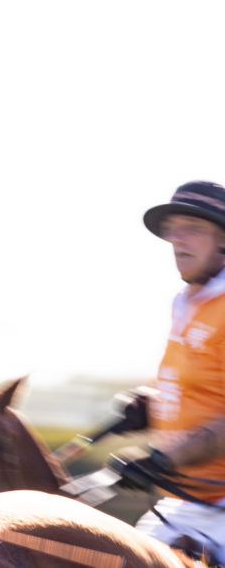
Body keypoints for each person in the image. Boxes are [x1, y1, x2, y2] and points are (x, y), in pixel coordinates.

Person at [109, 180, 225, 564]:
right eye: (172, 229)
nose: (177, 239)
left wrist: (164, 460)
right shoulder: (187, 301)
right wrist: (152, 407)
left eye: (192, 228)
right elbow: (204, 392)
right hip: (187, 503)